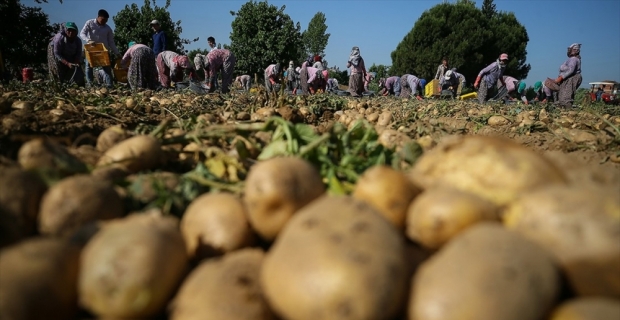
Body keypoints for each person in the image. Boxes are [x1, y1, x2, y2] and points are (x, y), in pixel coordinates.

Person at [80, 9, 120, 88]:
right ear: (98, 17)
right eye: (103, 19)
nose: (104, 21)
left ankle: (109, 86)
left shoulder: (108, 29)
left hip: (103, 50)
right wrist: (88, 40)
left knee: (107, 68)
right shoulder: (90, 23)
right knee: (88, 66)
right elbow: (82, 33)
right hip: (92, 49)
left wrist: (117, 53)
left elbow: (111, 42)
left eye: (106, 20)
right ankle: (90, 85)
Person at [47, 22, 85, 86]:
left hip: (69, 52)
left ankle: (70, 84)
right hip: (56, 52)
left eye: (73, 31)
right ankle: (58, 85)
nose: (71, 32)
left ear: (76, 32)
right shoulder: (59, 38)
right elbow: (57, 53)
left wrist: (75, 62)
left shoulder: (78, 41)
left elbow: (78, 53)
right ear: (65, 30)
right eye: (69, 30)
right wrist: (67, 63)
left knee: (76, 69)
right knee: (57, 68)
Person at [555, 43, 582, 108]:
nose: (569, 51)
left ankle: (568, 110)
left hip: (572, 78)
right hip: (568, 78)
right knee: (562, 94)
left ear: (576, 50)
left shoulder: (574, 59)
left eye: (570, 49)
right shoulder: (570, 59)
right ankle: (562, 108)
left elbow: (571, 70)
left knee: (566, 95)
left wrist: (561, 77)